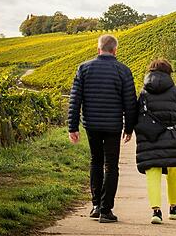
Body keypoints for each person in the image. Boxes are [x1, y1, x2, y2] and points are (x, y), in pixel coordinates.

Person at [67, 34, 138, 224]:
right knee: (111, 165)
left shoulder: (84, 68)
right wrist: (129, 128)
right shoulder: (123, 71)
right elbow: (130, 102)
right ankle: (106, 210)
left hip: (91, 125)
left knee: (95, 162)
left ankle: (96, 206)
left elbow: (75, 100)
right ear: (115, 50)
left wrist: (72, 127)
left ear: (98, 49)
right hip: (113, 126)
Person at [135, 58, 176, 224]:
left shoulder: (143, 92)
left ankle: (156, 211)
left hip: (149, 138)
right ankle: (174, 207)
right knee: (172, 171)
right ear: (169, 73)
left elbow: (138, 116)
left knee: (153, 172)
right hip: (171, 137)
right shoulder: (175, 90)